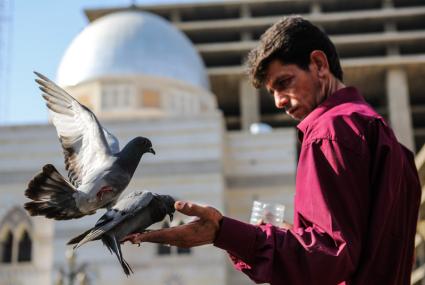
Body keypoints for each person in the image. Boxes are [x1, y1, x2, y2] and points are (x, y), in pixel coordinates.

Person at [122, 16, 421, 284]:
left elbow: (330, 256)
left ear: (319, 65)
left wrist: (222, 232)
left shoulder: (328, 133)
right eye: (272, 92)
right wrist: (294, 236)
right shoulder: (388, 141)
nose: (278, 101)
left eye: (284, 82)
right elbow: (362, 250)